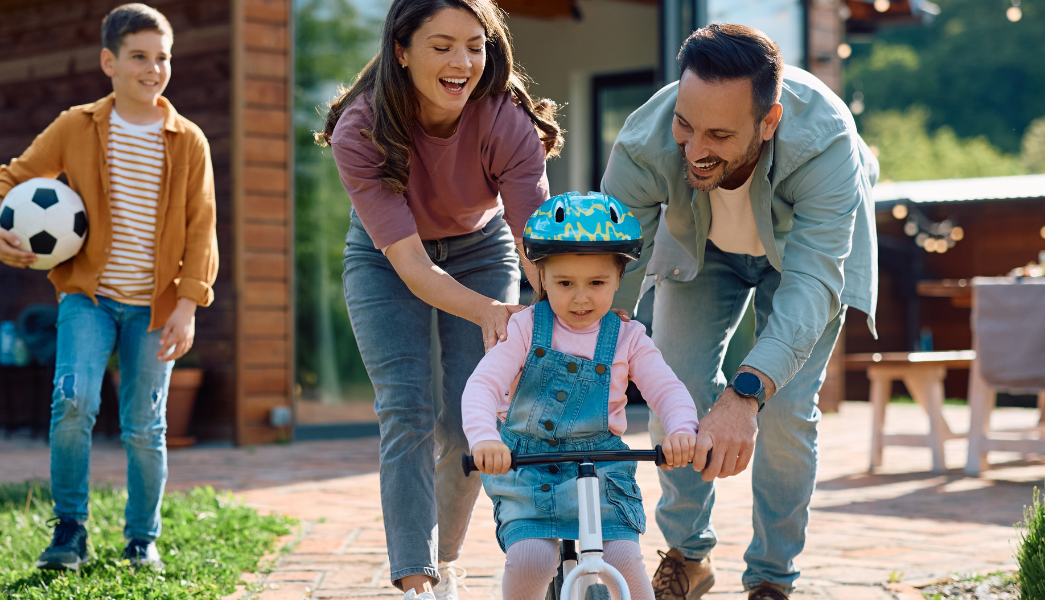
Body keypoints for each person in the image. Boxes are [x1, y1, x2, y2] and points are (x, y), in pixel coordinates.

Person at [601, 24, 878, 600]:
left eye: (720, 134)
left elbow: (812, 281)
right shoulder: (644, 143)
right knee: (670, 384)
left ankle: (773, 577)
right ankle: (687, 555)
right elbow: (614, 264)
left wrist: (746, 394)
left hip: (803, 261)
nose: (696, 149)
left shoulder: (826, 142)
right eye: (685, 124)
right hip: (703, 251)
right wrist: (594, 355)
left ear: (769, 122)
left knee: (786, 412)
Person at [314, 0, 562, 597]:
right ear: (401, 51)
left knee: (468, 416)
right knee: (406, 409)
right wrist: (490, 313)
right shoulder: (362, 127)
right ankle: (414, 578)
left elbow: (536, 243)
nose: (463, 61)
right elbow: (412, 266)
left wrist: (560, 306)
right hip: (386, 259)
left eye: (475, 45)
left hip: (481, 248)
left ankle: (443, 558)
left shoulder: (506, 122)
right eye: (442, 45)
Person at [0, 3, 218, 572]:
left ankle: (142, 539)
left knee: (144, 426)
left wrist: (188, 304)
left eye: (162, 58)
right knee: (73, 401)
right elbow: (14, 175)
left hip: (155, 309)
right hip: (88, 298)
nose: (153, 69)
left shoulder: (188, 141)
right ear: (109, 61)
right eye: (139, 56)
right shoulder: (77, 126)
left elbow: (202, 225)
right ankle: (69, 530)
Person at [465, 192, 700, 600]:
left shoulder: (627, 338)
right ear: (540, 277)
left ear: (619, 279)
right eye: (564, 283)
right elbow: (483, 385)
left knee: (623, 561)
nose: (581, 297)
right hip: (528, 468)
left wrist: (681, 428)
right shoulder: (524, 328)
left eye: (596, 283)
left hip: (602, 469)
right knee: (532, 561)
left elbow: (667, 388)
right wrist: (485, 437)